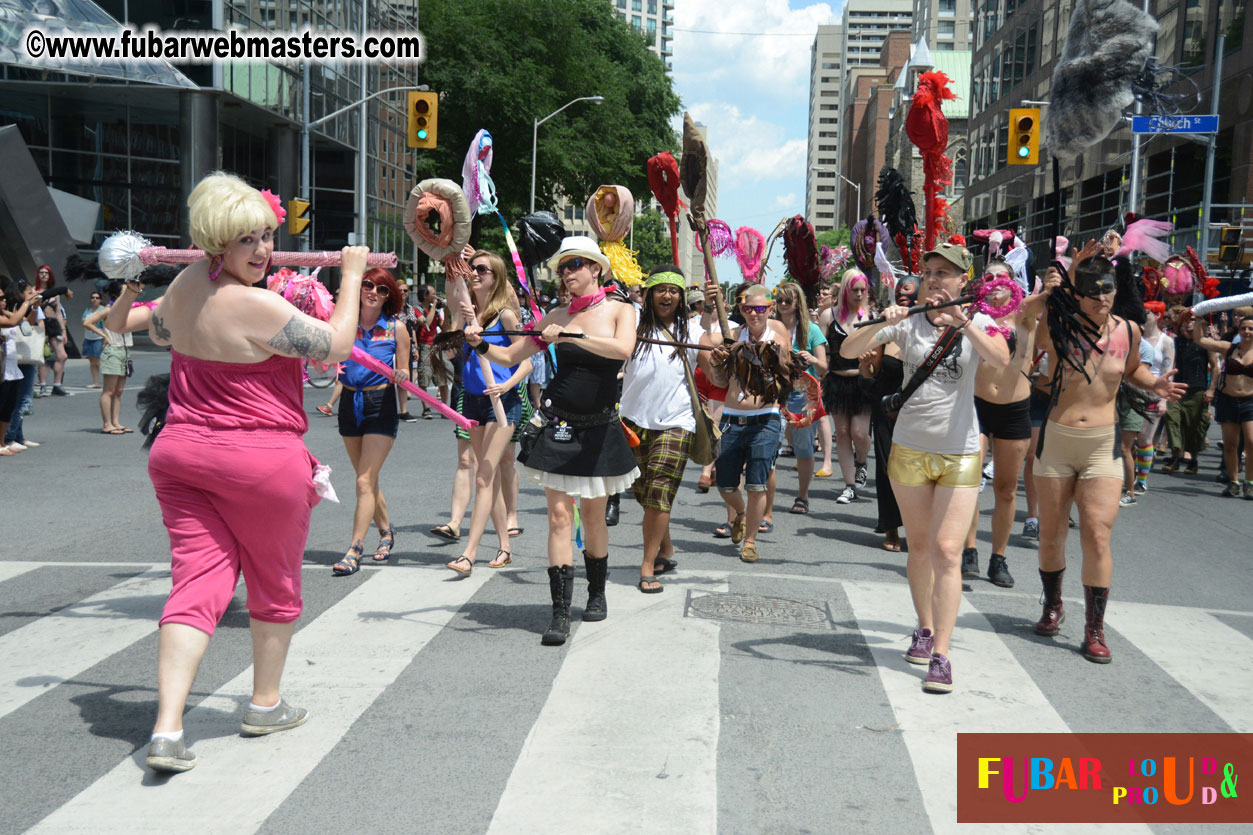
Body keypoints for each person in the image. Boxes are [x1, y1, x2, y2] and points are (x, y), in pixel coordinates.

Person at [139, 171, 367, 773]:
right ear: (218, 242)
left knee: (194, 587)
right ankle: (264, 703)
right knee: (273, 580)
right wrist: (351, 273)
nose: (264, 250)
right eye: (248, 240)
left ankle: (167, 728)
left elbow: (159, 330)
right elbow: (338, 346)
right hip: (258, 460)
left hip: (180, 453)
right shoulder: (256, 303)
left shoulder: (187, 284)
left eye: (267, 236)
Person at [839, 242, 1011, 694]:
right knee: (919, 548)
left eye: (945, 273)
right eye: (930, 271)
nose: (936, 279)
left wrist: (965, 323)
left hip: (960, 451)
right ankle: (924, 626)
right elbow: (848, 350)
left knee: (949, 550)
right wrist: (882, 322)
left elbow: (1001, 360)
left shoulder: (979, 321)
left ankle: (942, 654)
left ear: (962, 282)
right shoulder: (909, 321)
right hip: (910, 450)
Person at [465, 236, 638, 646]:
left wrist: (571, 337)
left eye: (575, 264)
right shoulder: (555, 315)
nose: (567, 273)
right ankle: (559, 612)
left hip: (599, 426)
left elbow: (622, 350)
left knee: (593, 518)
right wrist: (481, 343)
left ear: (596, 268)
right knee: (559, 518)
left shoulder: (619, 310)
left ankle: (597, 593)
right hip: (559, 424)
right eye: (562, 267)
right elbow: (511, 357)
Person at [1031, 249, 1185, 664]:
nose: (1103, 298)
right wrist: (1057, 283)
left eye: (1109, 290)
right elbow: (1028, 332)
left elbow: (1132, 369)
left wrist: (1156, 385)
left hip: (1102, 444)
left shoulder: (1129, 331)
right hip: (1058, 441)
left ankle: (1094, 628)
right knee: (1051, 535)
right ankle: (1053, 604)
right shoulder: (1058, 325)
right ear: (1077, 295)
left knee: (1097, 532)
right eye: (1094, 292)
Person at [961, 261, 1057, 587]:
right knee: (971, 481)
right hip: (976, 405)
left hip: (1015, 409)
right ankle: (969, 550)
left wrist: (1059, 278)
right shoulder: (975, 315)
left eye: (1003, 276)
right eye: (989, 277)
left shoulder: (1024, 314)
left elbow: (1047, 298)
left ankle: (998, 558)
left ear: (1014, 282)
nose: (997, 282)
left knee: (1005, 488)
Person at [445, 250, 531, 575]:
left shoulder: (505, 316)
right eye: (473, 269)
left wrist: (507, 387)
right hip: (473, 400)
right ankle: (505, 547)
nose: (476, 273)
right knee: (488, 477)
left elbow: (526, 361)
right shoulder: (470, 314)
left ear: (495, 277)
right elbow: (453, 351)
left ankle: (468, 553)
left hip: (502, 404)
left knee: (483, 476)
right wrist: (460, 322)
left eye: (482, 269)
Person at [699, 283, 791, 563]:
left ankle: (750, 540)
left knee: (756, 484)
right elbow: (703, 341)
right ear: (740, 309)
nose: (755, 314)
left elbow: (786, 368)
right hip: (732, 417)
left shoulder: (778, 331)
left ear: (769, 310)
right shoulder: (731, 334)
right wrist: (714, 359)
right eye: (749, 308)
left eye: (761, 308)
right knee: (725, 484)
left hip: (766, 418)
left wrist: (772, 353)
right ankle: (739, 514)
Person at [621, 265, 699, 592]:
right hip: (632, 421)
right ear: (649, 294)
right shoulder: (630, 327)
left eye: (674, 290)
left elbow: (719, 376)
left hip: (677, 422)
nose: (667, 295)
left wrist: (724, 353)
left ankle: (647, 563)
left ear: (681, 297)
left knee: (659, 490)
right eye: (660, 289)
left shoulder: (693, 332)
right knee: (644, 492)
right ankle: (665, 547)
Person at [330, 267, 409, 576]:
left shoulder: (395, 328)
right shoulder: (344, 325)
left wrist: (401, 375)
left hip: (380, 405)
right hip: (349, 403)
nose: (373, 292)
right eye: (367, 285)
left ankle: (354, 549)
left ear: (390, 296)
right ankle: (386, 532)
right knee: (368, 481)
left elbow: (404, 372)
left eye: (382, 289)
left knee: (364, 481)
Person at [856, 278, 917, 551]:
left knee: (914, 471)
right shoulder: (887, 330)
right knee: (887, 468)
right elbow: (870, 375)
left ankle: (916, 525)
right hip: (887, 410)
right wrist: (867, 366)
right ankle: (891, 525)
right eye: (899, 295)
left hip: (920, 411)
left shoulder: (932, 331)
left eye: (909, 294)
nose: (902, 299)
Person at [773, 282, 828, 515]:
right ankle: (765, 502)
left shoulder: (811, 330)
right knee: (770, 446)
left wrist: (812, 360)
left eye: (788, 301)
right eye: (780, 301)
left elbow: (824, 368)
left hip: (804, 395)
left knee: (804, 448)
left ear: (798, 303)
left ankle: (802, 496)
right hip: (775, 393)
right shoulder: (771, 327)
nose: (784, 305)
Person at [820, 269, 874, 504]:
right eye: (855, 290)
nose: (859, 294)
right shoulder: (828, 316)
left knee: (860, 433)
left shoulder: (872, 316)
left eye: (863, 290)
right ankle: (849, 485)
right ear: (845, 290)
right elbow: (820, 349)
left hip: (863, 382)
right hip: (837, 381)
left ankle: (861, 461)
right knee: (842, 433)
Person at [1188, 310, 1253, 497]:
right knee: (1231, 445)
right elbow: (1201, 341)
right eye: (1244, 328)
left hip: (1250, 401)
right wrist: (1199, 320)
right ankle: (1234, 482)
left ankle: (1250, 482)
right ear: (1238, 330)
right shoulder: (1229, 348)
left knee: (1251, 442)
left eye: (1251, 328)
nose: (1247, 331)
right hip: (1228, 400)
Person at [1161, 304, 1217, 474]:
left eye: (1193, 320)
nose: (1189, 323)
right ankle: (1176, 454)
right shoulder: (1177, 341)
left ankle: (1193, 460)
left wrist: (1211, 389)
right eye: (1186, 320)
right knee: (1172, 417)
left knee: (1193, 426)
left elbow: (1215, 367)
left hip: (1197, 389)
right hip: (1177, 387)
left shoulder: (1206, 343)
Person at [1130, 302, 1174, 494]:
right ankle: (1129, 475)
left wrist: (1164, 400)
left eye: (1147, 312)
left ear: (1157, 316)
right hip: (1131, 392)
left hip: (1153, 394)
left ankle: (1142, 479)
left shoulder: (1166, 341)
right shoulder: (1134, 337)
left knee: (1145, 438)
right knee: (1128, 438)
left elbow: (1168, 370)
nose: (1143, 315)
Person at [84, 282, 135, 434]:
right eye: (126, 290)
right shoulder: (109, 309)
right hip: (112, 350)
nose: (129, 293)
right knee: (109, 390)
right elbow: (87, 322)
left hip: (125, 351)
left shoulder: (128, 309)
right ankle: (107, 424)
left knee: (118, 391)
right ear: (117, 294)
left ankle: (116, 422)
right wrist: (103, 335)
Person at [3, 281, 42, 452]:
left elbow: (27, 325)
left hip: (14, 363)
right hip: (8, 363)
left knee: (14, 402)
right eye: (29, 292)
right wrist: (27, 304)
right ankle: (8, 438)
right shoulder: (11, 312)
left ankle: (13, 438)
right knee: (15, 401)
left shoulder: (14, 311)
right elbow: (13, 321)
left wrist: (33, 308)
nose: (33, 294)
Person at [413, 284, 447, 415]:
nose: (435, 296)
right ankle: (426, 408)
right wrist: (433, 307)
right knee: (424, 377)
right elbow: (426, 323)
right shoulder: (417, 310)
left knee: (442, 377)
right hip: (424, 346)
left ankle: (445, 408)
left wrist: (447, 310)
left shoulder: (436, 311)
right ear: (425, 296)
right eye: (433, 294)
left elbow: (444, 328)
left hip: (437, 346)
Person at [80, 290, 106, 388]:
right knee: (91, 360)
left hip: (98, 337)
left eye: (97, 298)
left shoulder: (103, 310)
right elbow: (83, 322)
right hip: (88, 337)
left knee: (97, 360)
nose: (94, 299)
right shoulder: (88, 310)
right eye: (93, 297)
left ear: (100, 300)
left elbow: (104, 324)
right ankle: (95, 382)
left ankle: (105, 381)